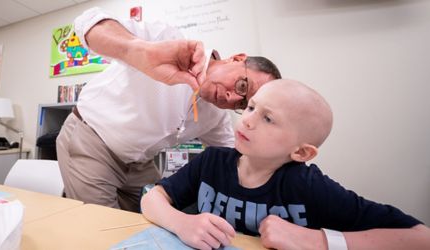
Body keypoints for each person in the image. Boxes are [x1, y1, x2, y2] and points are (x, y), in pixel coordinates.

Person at [141, 79, 430, 250]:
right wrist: (181, 222)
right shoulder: (212, 160)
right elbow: (152, 199)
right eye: (252, 107)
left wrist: (317, 241)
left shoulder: (307, 185)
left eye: (268, 118)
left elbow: (421, 238)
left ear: (302, 152)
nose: (248, 120)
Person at [56, 7, 281, 212]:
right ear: (237, 59)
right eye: (242, 85)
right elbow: (88, 22)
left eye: (243, 104)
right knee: (100, 229)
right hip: (91, 141)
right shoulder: (167, 40)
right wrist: (139, 51)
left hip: (139, 162)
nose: (232, 98)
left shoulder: (216, 118)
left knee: (154, 217)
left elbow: (234, 157)